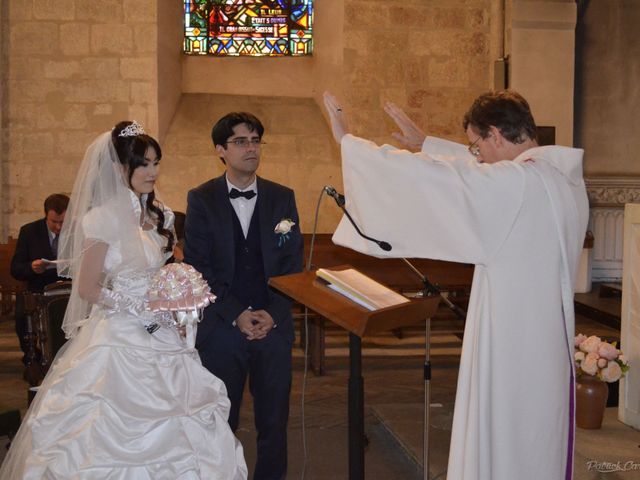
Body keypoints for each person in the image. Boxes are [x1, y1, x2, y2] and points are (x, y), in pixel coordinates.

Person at [323, 91, 588, 480]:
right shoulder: (563, 179)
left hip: (510, 347)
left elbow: (455, 182)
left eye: (477, 145)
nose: (475, 155)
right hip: (545, 344)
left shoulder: (518, 185)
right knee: (535, 443)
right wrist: (427, 146)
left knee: (506, 445)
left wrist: (352, 145)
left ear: (496, 134)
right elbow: (477, 176)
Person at [0, 121, 247, 479]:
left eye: (156, 162)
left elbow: (163, 270)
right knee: (102, 425)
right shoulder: (100, 219)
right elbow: (87, 288)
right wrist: (139, 309)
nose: (152, 171)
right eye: (143, 163)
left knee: (182, 419)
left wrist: (174, 300)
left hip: (162, 332)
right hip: (118, 333)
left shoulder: (161, 214)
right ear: (120, 169)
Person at [184, 112, 303, 480]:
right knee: (221, 422)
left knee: (274, 424)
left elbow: (291, 260)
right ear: (221, 150)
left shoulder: (282, 198)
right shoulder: (202, 199)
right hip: (222, 329)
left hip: (273, 327)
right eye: (241, 142)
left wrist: (273, 312)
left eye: (255, 140)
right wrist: (236, 313)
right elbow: (198, 266)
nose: (251, 148)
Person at [10, 193, 69, 360]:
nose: (58, 227)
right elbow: (15, 269)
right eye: (54, 222)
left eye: (63, 222)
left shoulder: (77, 231)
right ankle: (34, 358)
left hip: (68, 288)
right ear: (45, 216)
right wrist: (32, 268)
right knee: (22, 317)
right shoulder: (29, 231)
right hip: (38, 288)